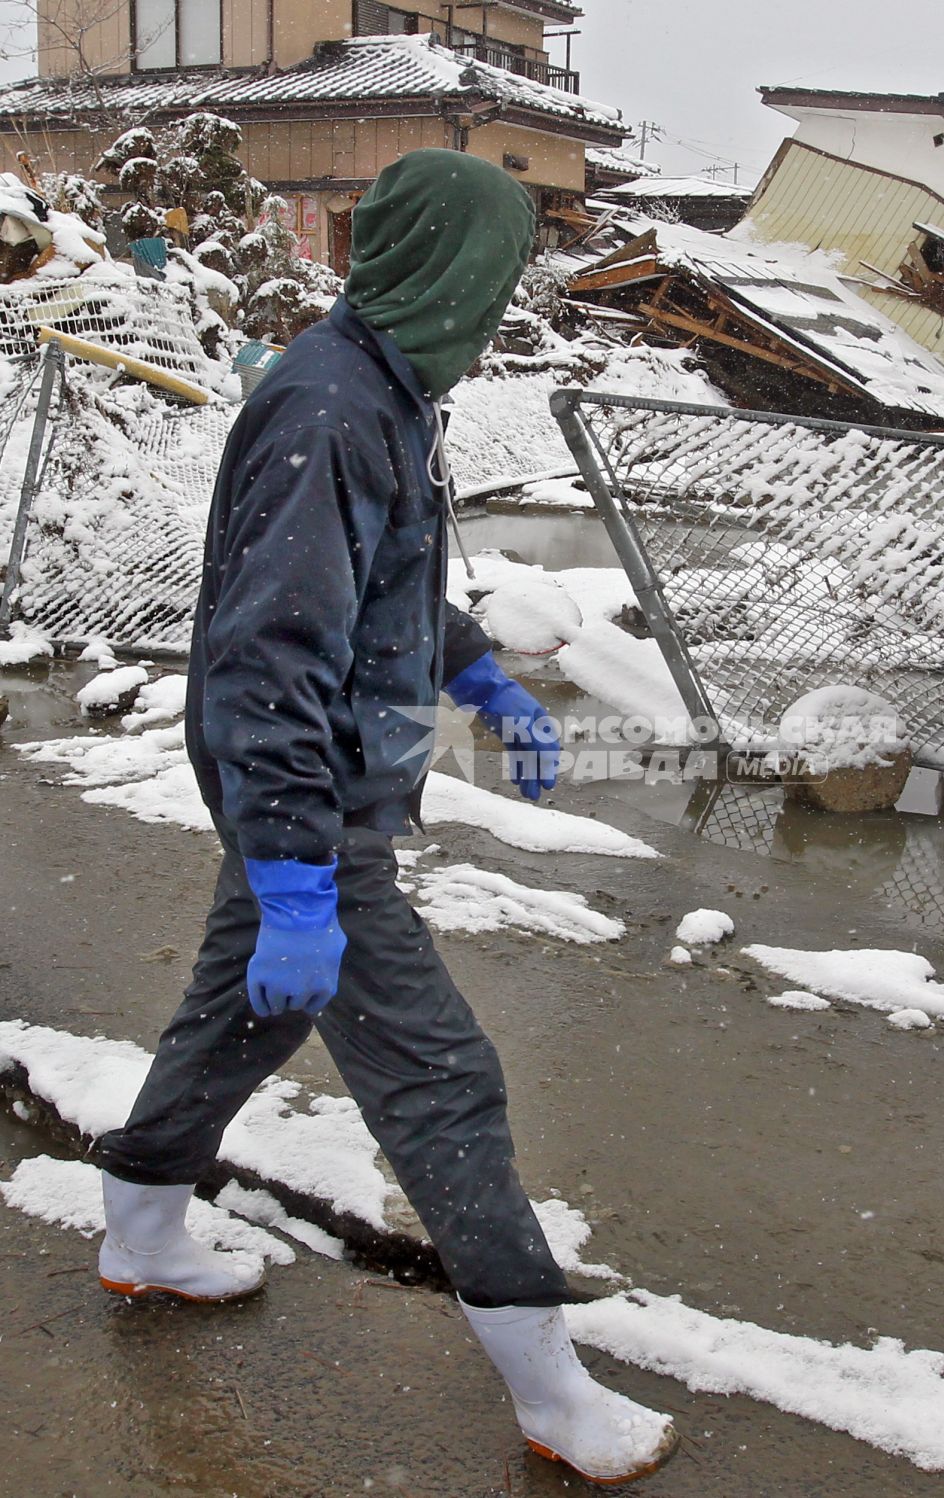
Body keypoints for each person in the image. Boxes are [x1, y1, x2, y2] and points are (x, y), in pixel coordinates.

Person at [91, 149, 677, 1488]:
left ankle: (139, 1231)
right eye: (489, 282)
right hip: (311, 802)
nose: (494, 312)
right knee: (441, 1077)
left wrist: (474, 671)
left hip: (315, 791)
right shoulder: (334, 409)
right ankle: (553, 1390)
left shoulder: (389, 389)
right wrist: (299, 870)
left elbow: (384, 576)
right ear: (439, 271)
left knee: (245, 1011)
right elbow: (271, 657)